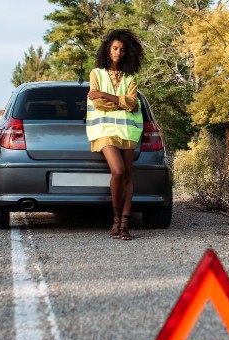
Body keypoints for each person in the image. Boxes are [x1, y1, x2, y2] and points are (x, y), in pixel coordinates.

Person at [86, 29, 145, 240]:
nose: (118, 53)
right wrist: (119, 102)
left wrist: (103, 94)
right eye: (114, 48)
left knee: (128, 176)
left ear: (127, 53)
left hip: (128, 130)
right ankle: (115, 218)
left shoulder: (131, 78)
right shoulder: (96, 73)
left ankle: (124, 225)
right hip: (104, 131)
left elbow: (132, 102)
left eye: (121, 49)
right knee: (118, 171)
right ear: (108, 49)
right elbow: (98, 104)